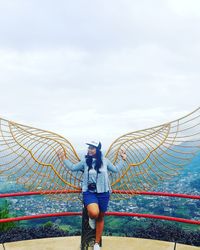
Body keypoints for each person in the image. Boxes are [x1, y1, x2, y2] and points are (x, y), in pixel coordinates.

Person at [57, 140, 127, 250]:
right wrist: (62, 158)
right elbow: (72, 167)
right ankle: (91, 217)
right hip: (89, 192)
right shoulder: (85, 161)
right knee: (94, 213)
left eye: (92, 148)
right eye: (89, 147)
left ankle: (97, 243)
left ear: (97, 150)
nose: (89, 150)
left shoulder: (105, 161)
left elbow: (116, 170)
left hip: (104, 192)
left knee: (100, 217)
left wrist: (123, 159)